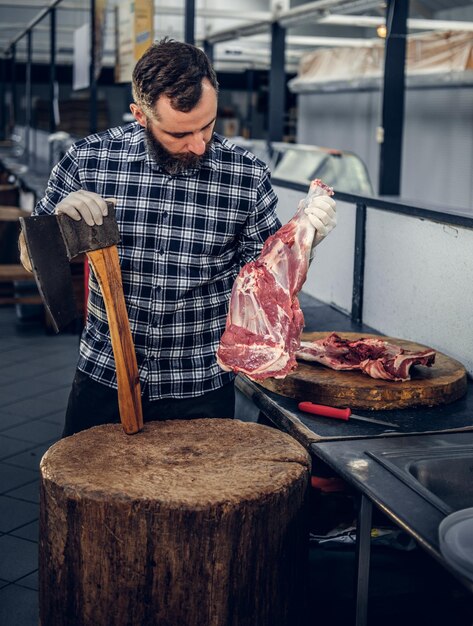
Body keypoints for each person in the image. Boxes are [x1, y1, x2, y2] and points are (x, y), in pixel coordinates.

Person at [19, 38, 337, 436]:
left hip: (200, 388)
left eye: (208, 125)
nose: (200, 145)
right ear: (140, 115)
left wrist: (303, 240)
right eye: (180, 134)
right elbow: (32, 259)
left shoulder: (246, 176)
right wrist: (57, 229)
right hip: (104, 376)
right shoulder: (89, 161)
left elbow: (264, 283)